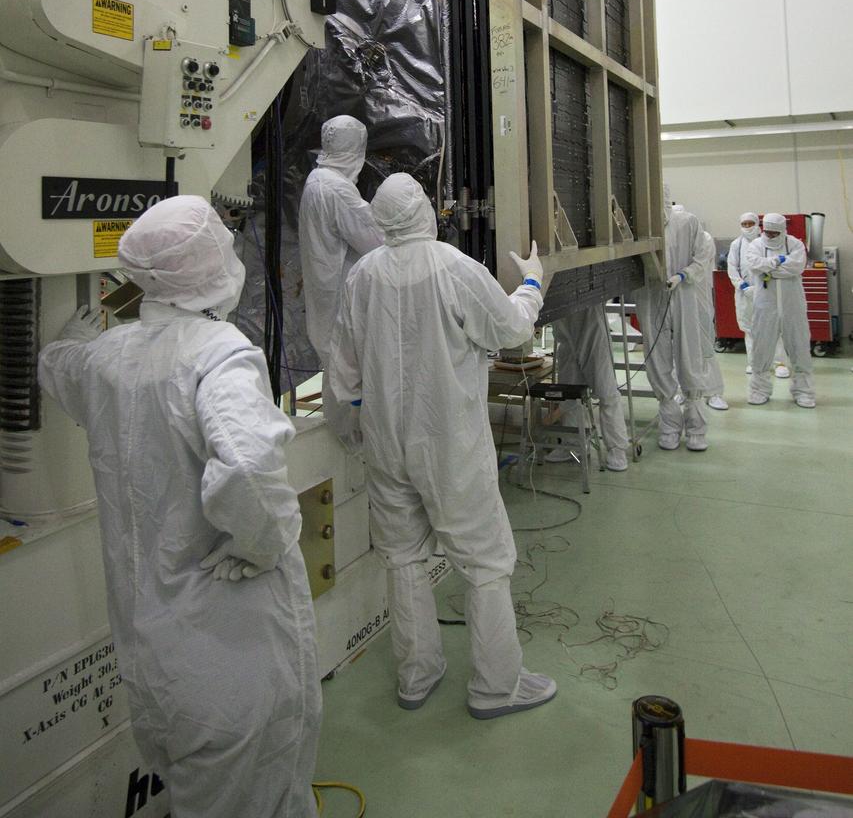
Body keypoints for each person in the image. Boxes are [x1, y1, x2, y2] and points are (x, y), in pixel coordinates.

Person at [38, 196, 321, 818]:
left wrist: (70, 337)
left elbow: (58, 367)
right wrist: (262, 543)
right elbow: (247, 463)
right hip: (230, 653)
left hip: (154, 658)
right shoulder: (218, 352)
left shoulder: (109, 358)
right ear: (211, 262)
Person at [326, 173, 557, 720]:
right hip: (449, 442)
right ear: (424, 212)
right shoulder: (453, 267)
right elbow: (510, 331)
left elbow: (346, 368)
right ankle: (497, 687)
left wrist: (366, 415)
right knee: (485, 559)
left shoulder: (363, 275)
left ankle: (416, 675)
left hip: (386, 445)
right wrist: (530, 285)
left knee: (402, 557)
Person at [298, 115, 383, 433]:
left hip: (326, 295)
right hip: (343, 299)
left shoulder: (316, 180)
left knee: (339, 373)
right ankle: (354, 453)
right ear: (357, 148)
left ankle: (344, 446)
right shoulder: (337, 191)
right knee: (351, 378)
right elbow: (376, 242)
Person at [633, 186, 709, 451]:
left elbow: (702, 257)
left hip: (683, 295)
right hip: (650, 297)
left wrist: (683, 275)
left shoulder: (687, 222)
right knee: (657, 357)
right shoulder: (637, 226)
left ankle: (696, 427)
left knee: (690, 354)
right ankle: (669, 425)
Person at [545, 304, 631, 470]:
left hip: (591, 325)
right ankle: (572, 444)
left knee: (605, 390)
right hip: (564, 328)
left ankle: (617, 449)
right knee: (569, 392)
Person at [744, 211, 816, 407]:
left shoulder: (795, 244)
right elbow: (754, 265)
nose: (771, 236)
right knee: (762, 347)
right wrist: (777, 261)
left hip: (793, 304)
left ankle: (804, 391)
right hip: (765, 305)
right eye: (767, 232)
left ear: (783, 231)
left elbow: (797, 267)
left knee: (799, 346)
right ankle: (759, 390)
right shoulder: (756, 245)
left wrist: (769, 268)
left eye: (775, 233)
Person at [727, 213, 791, 380]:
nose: (748, 227)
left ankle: (779, 363)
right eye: (744, 224)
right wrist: (742, 286)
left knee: (773, 327)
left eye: (751, 223)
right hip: (744, 293)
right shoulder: (736, 244)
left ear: (758, 224)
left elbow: (773, 264)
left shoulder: (767, 242)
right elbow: (732, 267)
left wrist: (764, 284)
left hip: (767, 290)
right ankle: (754, 362)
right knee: (749, 329)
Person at [696, 228, 728, 411]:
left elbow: (697, 265)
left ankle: (714, 392)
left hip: (700, 299)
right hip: (675, 300)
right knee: (677, 347)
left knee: (706, 346)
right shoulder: (666, 235)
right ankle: (683, 390)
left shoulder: (704, 238)